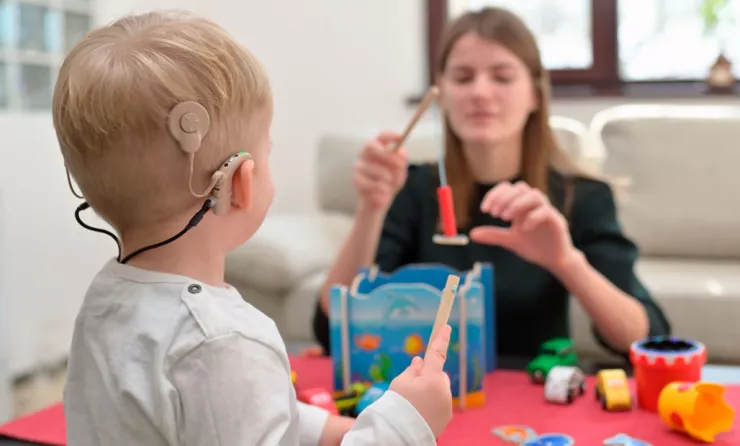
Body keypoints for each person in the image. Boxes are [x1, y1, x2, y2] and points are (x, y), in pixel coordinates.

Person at [55, 11, 452, 446]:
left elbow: (243, 414)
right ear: (238, 183)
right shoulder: (221, 340)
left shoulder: (106, 298)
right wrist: (403, 425)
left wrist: (339, 431)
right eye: (269, 152)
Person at [313, 7, 670, 359]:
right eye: (463, 78)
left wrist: (566, 262)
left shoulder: (583, 197)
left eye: (502, 77)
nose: (480, 93)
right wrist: (370, 208)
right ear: (444, 94)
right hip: (428, 397)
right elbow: (333, 331)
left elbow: (645, 338)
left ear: (535, 94)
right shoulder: (410, 189)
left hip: (534, 400)